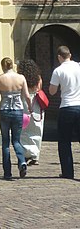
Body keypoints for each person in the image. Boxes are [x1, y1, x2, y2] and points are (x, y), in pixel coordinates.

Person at [0, 57, 32, 180]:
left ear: (2, 66)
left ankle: (7, 173)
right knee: (16, 140)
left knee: (5, 143)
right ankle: (22, 161)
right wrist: (30, 108)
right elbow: (27, 96)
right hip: (18, 110)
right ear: (12, 66)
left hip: (4, 111)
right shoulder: (21, 78)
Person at [49, 45, 80, 179]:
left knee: (64, 141)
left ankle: (68, 172)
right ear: (70, 55)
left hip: (67, 106)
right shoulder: (78, 66)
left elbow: (52, 91)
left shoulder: (58, 70)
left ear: (59, 57)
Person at [17, 59, 44, 165]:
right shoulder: (37, 77)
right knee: (37, 128)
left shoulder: (21, 78)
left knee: (24, 128)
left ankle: (26, 153)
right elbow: (39, 88)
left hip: (24, 100)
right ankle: (35, 155)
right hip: (36, 102)